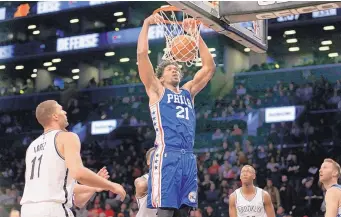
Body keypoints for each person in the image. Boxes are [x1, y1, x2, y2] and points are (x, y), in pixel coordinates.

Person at [137, 13, 216, 217]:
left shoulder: (188, 92)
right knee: (166, 212)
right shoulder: (157, 90)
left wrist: (195, 35)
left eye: (176, 68)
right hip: (167, 155)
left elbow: (209, 68)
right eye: (170, 69)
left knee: (184, 212)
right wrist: (146, 25)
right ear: (160, 78)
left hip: (188, 156)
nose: (175, 71)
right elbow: (142, 56)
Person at [20, 100, 126, 217]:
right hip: (52, 209)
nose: (65, 112)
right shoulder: (67, 137)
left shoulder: (32, 146)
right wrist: (112, 185)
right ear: (55, 116)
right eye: (61, 109)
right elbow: (78, 173)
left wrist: (95, 185)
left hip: (27, 210)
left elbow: (65, 188)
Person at [135, 147, 157, 217]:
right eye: (154, 156)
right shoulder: (143, 179)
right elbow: (140, 185)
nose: (157, 159)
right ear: (148, 161)